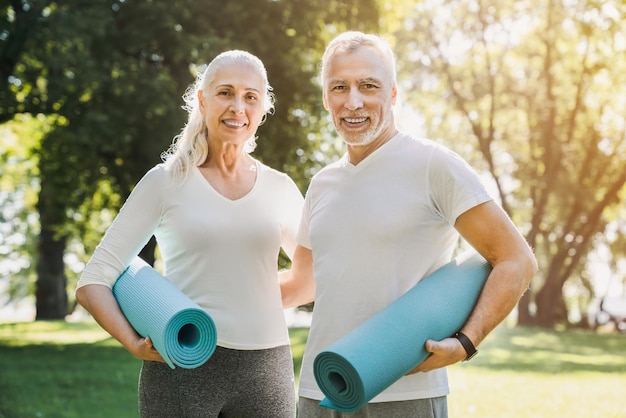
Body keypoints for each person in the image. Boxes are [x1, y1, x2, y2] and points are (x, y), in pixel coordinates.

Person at [280, 31, 538, 417]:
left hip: (405, 391)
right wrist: (214, 301)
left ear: (393, 94)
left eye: (368, 86)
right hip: (320, 391)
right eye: (339, 87)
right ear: (325, 98)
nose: (353, 102)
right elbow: (301, 283)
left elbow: (516, 259)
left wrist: (467, 342)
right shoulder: (321, 184)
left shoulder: (434, 165)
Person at [76, 50, 303, 418]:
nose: (237, 107)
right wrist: (133, 343)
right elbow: (93, 281)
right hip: (182, 369)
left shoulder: (281, 188)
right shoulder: (166, 181)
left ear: (263, 109)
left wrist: (251, 296)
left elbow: (313, 277)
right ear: (202, 100)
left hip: (267, 369)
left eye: (250, 97)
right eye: (225, 92)